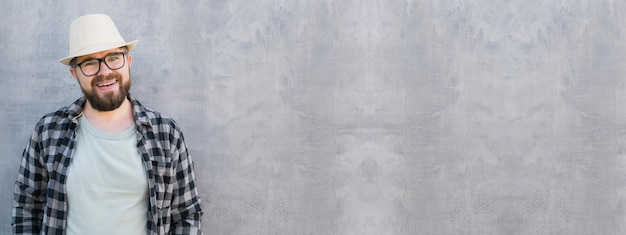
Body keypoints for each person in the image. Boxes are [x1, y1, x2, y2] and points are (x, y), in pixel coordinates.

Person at [12, 14, 203, 234]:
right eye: (90, 63)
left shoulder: (166, 134)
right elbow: (26, 208)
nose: (105, 71)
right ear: (74, 74)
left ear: (128, 61)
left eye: (113, 58)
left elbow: (187, 214)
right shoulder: (48, 132)